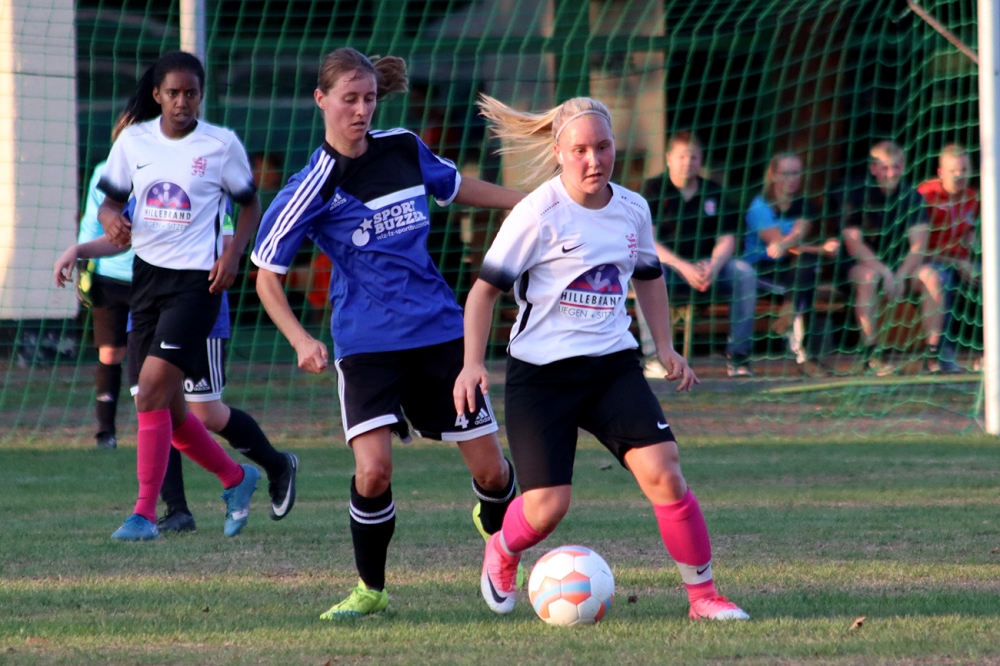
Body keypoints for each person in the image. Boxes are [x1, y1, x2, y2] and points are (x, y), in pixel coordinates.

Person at [251, 48, 524, 619]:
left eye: (369, 98)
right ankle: (370, 589)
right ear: (321, 100)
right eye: (349, 99)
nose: (361, 110)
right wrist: (300, 339)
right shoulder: (310, 186)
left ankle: (499, 545)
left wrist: (527, 204)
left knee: (493, 472)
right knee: (373, 471)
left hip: (439, 332)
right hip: (367, 344)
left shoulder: (402, 147)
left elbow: (456, 186)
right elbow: (266, 278)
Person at [457, 94, 749, 621]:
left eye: (604, 147)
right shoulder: (536, 213)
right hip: (542, 376)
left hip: (613, 366)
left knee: (665, 473)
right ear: (558, 152)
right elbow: (482, 294)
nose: (594, 160)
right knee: (548, 507)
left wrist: (665, 347)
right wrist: (472, 363)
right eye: (581, 150)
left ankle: (703, 597)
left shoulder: (633, 208)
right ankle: (501, 547)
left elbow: (649, 277)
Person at [95, 51, 263, 541]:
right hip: (146, 280)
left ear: (201, 96)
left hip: (197, 286)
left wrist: (233, 255)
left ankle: (144, 514)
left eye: (191, 93)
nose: (182, 102)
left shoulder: (220, 145)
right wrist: (111, 220)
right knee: (167, 408)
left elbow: (250, 205)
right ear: (157, 95)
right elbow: (109, 202)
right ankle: (237, 477)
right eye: (173, 93)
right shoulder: (134, 142)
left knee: (150, 390)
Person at [54, 202, 299, 534]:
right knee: (153, 404)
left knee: (205, 414)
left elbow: (228, 240)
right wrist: (79, 250)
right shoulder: (144, 183)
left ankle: (274, 465)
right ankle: (174, 511)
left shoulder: (208, 184)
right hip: (147, 312)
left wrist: (218, 256)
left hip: (199, 311)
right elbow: (120, 236)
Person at [640, 132, 757, 377]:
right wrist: (684, 267)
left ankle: (738, 356)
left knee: (744, 273)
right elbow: (649, 241)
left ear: (701, 159)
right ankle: (655, 357)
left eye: (693, 157)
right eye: (682, 156)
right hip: (671, 269)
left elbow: (727, 238)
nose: (688, 162)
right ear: (669, 158)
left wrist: (713, 266)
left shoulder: (714, 190)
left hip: (708, 269)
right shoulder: (654, 188)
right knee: (646, 270)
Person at [839, 141, 931, 375]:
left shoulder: (911, 197)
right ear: (873, 168)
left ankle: (935, 353)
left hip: (901, 268)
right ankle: (872, 355)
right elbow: (853, 245)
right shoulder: (857, 195)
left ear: (904, 166)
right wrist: (885, 272)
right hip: (861, 267)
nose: (891, 173)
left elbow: (919, 246)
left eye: (896, 167)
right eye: (885, 168)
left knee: (932, 276)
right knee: (869, 278)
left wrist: (900, 275)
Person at [743, 152, 826, 372]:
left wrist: (786, 243)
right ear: (773, 174)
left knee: (805, 267)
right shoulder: (759, 206)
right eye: (786, 173)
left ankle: (790, 311)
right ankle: (805, 357)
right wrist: (823, 250)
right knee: (806, 278)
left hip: (792, 270)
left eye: (796, 173)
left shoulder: (804, 204)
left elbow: (797, 235)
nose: (792, 179)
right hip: (761, 270)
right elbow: (777, 244)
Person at [77, 155, 135, 450]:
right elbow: (92, 219)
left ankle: (160, 429)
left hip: (152, 278)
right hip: (109, 277)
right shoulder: (105, 171)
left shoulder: (162, 163)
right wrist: (83, 265)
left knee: (151, 358)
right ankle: (105, 432)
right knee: (110, 353)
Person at [916, 144, 978, 373]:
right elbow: (918, 249)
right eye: (953, 171)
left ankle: (988, 353)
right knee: (942, 279)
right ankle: (940, 353)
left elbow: (970, 234)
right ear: (941, 172)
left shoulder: (973, 197)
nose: (959, 175)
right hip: (931, 262)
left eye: (964, 169)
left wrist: (973, 252)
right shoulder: (925, 196)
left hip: (963, 262)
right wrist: (958, 262)